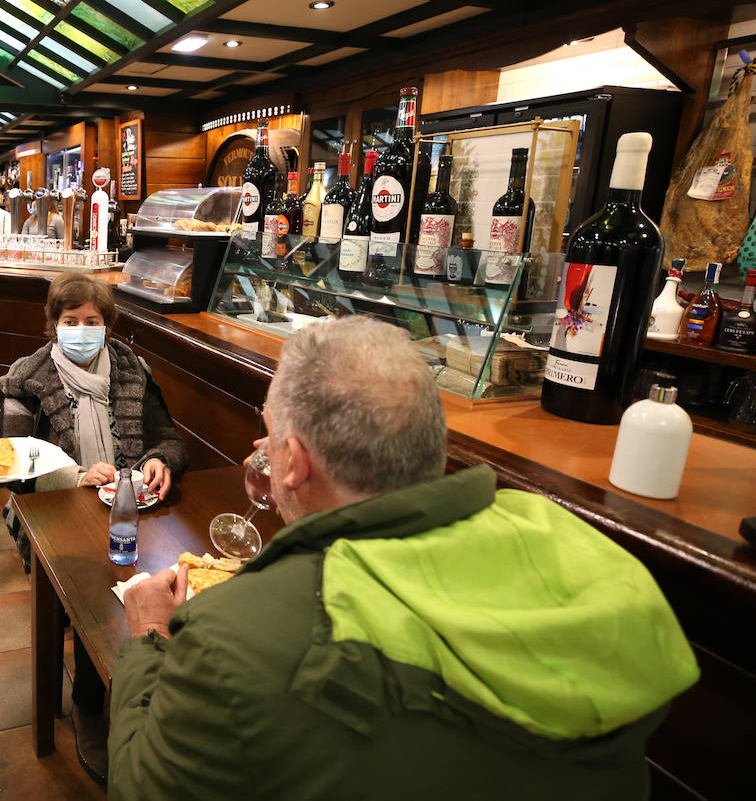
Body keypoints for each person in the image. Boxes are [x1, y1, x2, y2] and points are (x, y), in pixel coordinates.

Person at [110, 317, 700, 801]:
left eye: (271, 432)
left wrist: (150, 633)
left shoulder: (228, 636)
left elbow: (142, 787)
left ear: (291, 460)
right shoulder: (585, 558)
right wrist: (294, 490)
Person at [0, 273, 187, 785]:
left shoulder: (132, 368)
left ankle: (157, 686)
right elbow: (12, 466)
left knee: (160, 575)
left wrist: (159, 461)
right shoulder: (26, 378)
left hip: (130, 502)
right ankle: (89, 703)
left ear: (108, 326)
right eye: (70, 321)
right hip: (53, 508)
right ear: (53, 324)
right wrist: (77, 474)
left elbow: (168, 437)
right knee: (94, 589)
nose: (81, 330)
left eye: (92, 322)